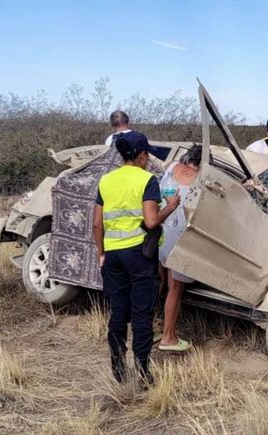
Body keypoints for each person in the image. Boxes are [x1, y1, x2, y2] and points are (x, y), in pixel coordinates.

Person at [92, 131, 180, 384]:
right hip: (140, 255)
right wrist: (170, 207)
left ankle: (119, 370)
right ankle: (143, 371)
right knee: (142, 316)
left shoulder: (106, 181)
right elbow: (151, 220)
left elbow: (97, 224)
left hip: (113, 256)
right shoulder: (147, 180)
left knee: (118, 315)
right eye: (146, 155)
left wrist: (101, 254)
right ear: (142, 155)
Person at [157, 145, 203, 352]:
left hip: (161, 231)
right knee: (175, 288)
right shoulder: (200, 181)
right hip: (181, 237)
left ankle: (151, 328)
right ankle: (168, 336)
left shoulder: (170, 168)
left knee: (159, 284)